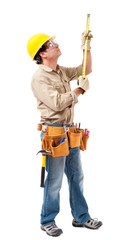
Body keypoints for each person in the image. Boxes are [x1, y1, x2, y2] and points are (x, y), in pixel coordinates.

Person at [27, 32, 102, 237]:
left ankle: (81, 216)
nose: (56, 44)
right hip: (53, 133)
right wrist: (79, 91)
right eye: (50, 44)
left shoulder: (60, 71)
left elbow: (86, 69)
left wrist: (86, 46)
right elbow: (57, 103)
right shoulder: (39, 77)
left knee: (77, 176)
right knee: (55, 181)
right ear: (42, 53)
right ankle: (47, 220)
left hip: (70, 131)